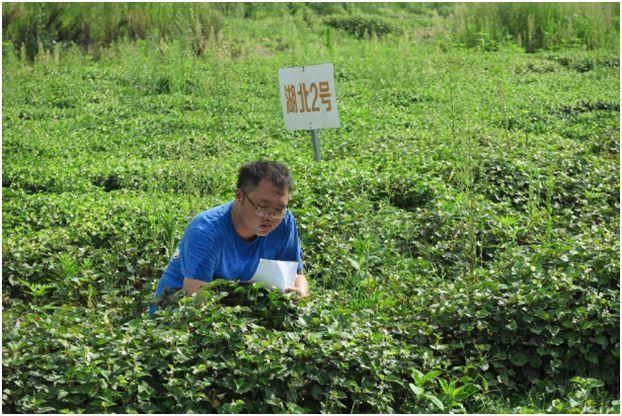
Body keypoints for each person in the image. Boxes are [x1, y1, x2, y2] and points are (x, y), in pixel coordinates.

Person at [149, 160, 308, 316]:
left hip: (238, 308)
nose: (270, 217)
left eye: (278, 209)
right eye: (262, 207)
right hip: (176, 313)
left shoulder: (284, 222)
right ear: (239, 196)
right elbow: (195, 304)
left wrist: (301, 290)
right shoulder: (205, 232)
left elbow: (296, 274)